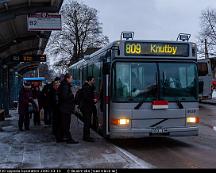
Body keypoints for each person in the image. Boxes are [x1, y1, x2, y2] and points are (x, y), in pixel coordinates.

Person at [58, 73, 78, 144]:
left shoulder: (64, 85)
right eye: (71, 78)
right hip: (65, 108)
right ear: (67, 78)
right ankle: (69, 139)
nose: (72, 79)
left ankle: (60, 138)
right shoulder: (65, 86)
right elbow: (64, 96)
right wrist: (72, 95)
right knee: (66, 124)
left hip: (64, 108)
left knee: (63, 124)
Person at [80, 76, 96, 142]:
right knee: (87, 122)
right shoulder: (86, 88)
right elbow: (87, 98)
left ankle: (87, 136)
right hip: (86, 108)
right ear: (89, 81)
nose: (94, 81)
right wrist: (93, 100)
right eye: (93, 80)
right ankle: (86, 137)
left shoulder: (87, 87)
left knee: (87, 122)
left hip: (87, 107)